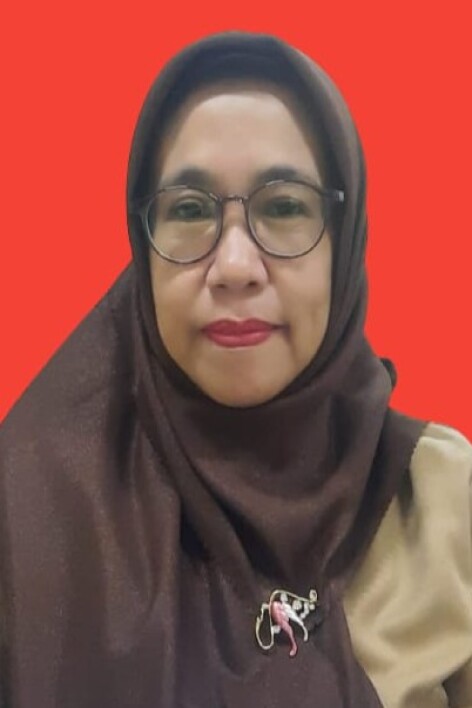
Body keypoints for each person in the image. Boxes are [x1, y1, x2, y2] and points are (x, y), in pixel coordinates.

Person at [0, 30, 471, 708]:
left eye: (284, 207)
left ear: (345, 242)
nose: (235, 266)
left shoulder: (441, 502)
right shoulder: (31, 506)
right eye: (190, 211)